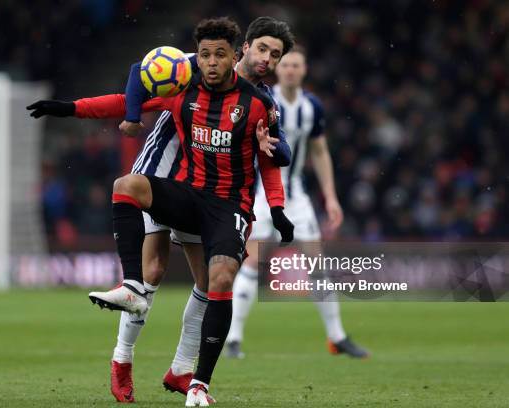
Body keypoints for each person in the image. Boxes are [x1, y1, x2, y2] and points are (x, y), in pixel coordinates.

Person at [28, 16, 297, 404]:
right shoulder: (191, 70)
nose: (268, 59)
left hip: (209, 190)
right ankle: (123, 356)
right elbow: (139, 76)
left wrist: (277, 202)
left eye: (276, 54)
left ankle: (183, 368)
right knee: (152, 269)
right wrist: (86, 110)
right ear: (245, 48)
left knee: (208, 282)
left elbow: (275, 153)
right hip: (162, 173)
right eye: (263, 49)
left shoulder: (260, 101)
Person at [225, 46, 369, 359]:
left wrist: (330, 197)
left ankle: (337, 337)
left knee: (317, 265)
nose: (290, 70)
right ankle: (233, 338)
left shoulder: (312, 106)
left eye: (296, 65)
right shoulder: (262, 99)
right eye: (286, 64)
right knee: (252, 262)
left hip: (298, 196)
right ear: (278, 69)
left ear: (303, 70)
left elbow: (319, 151)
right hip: (262, 193)